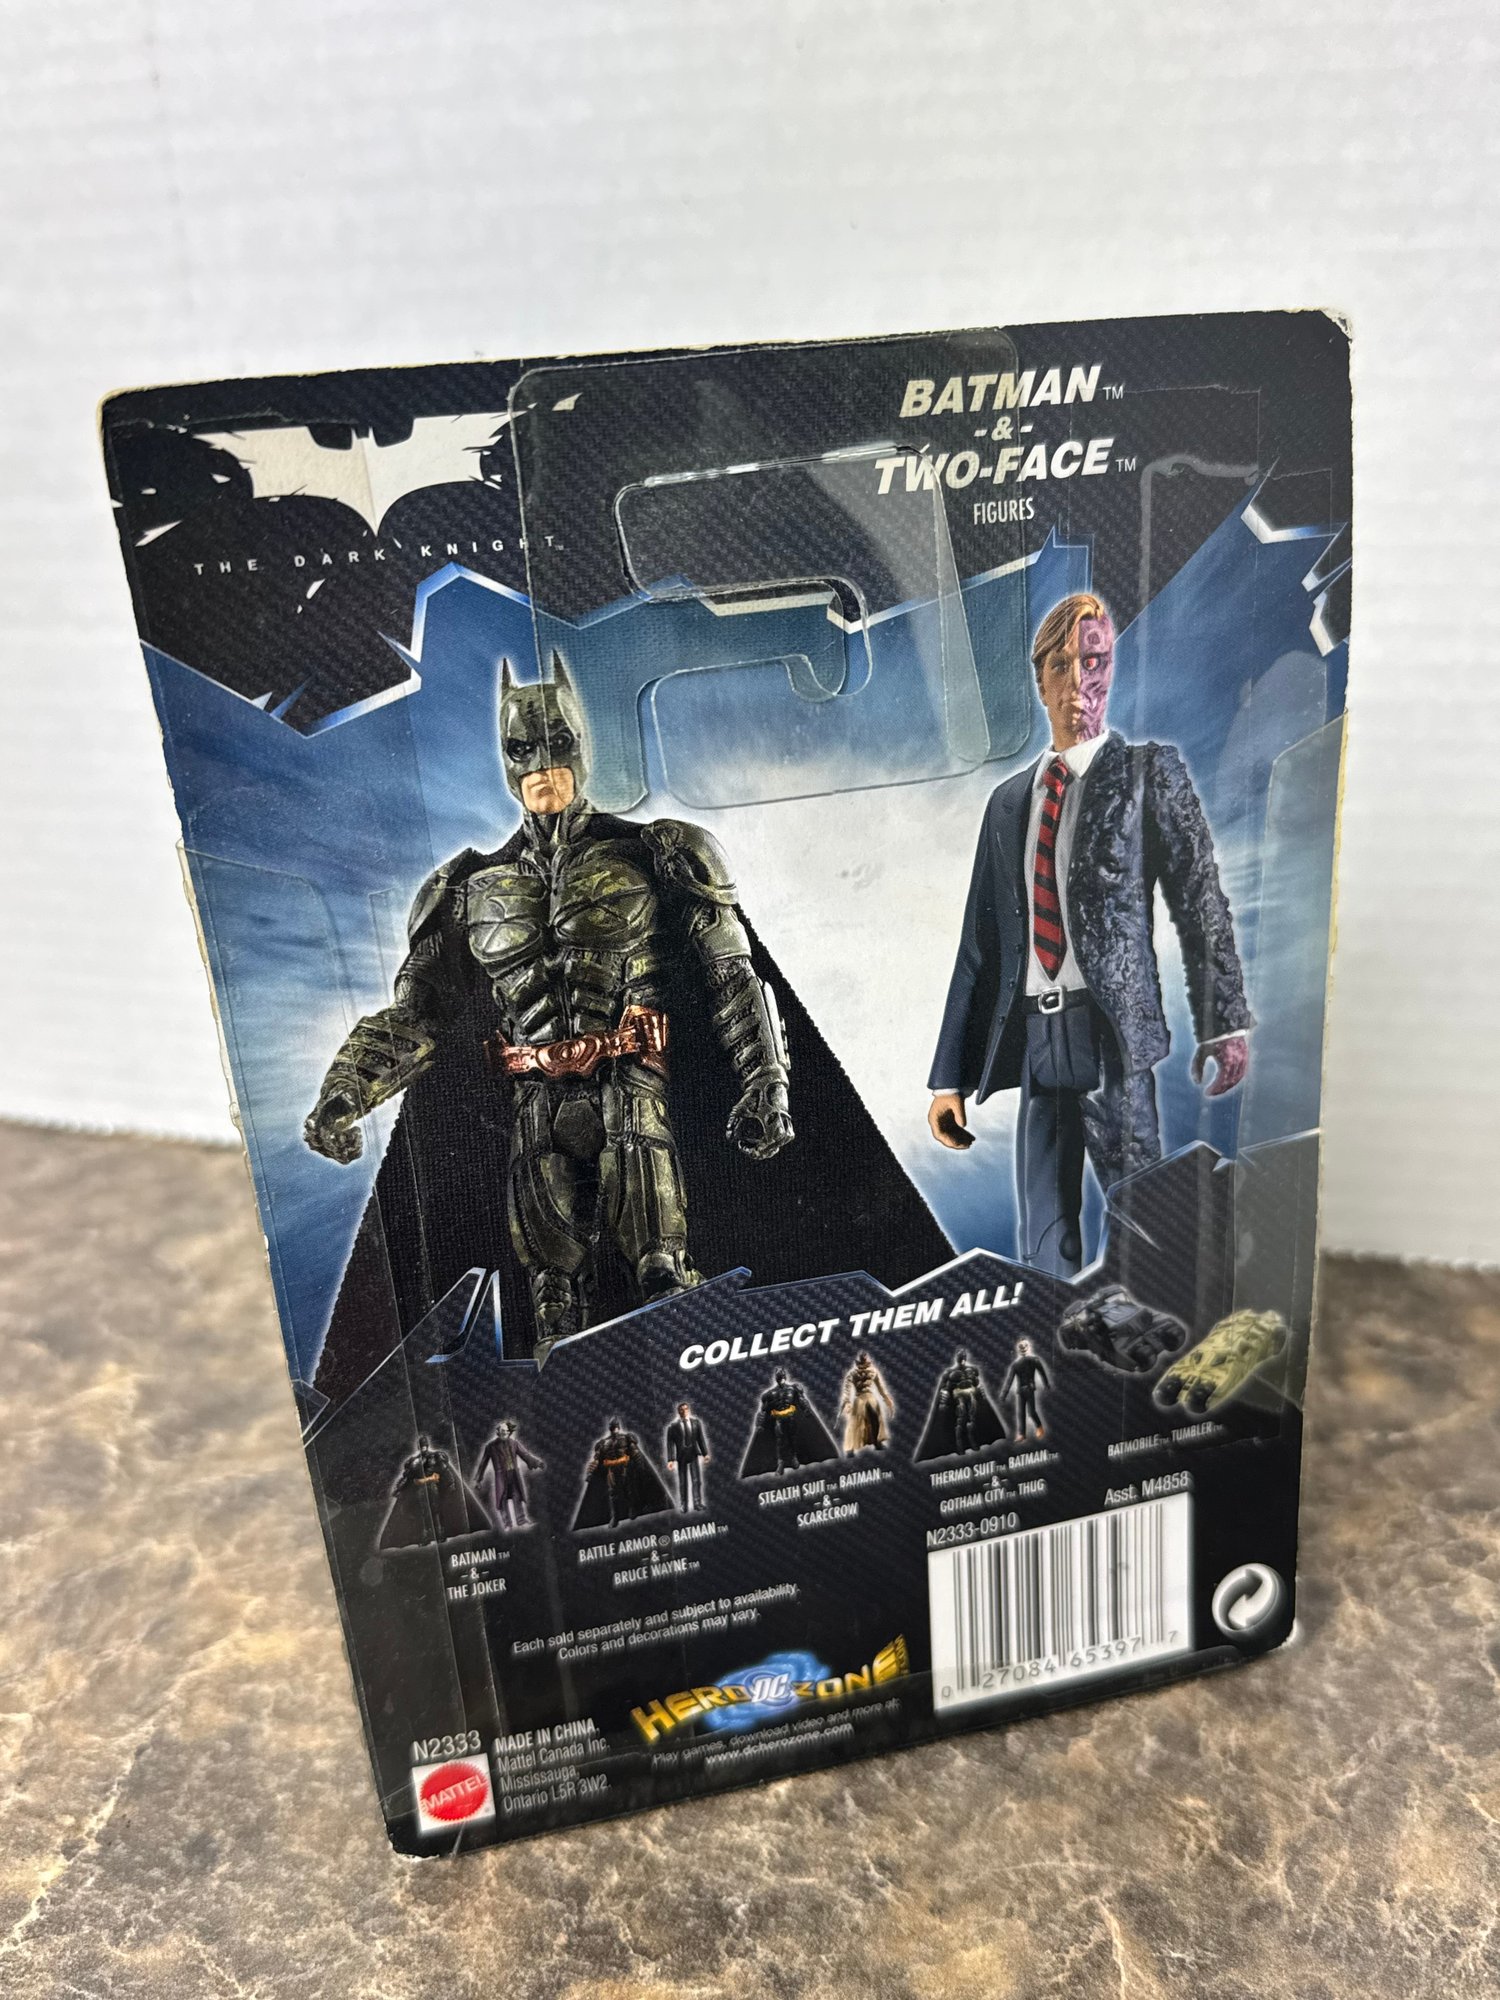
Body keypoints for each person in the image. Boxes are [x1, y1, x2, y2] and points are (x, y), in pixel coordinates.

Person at [928, 592, 1252, 1277]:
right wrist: (948, 1079)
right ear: (1041, 678)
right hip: (1034, 1036)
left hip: (1112, 1031)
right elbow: (978, 946)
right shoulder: (1008, 802)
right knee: (1042, 1227)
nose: (1081, 680)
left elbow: (1199, 902)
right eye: (1065, 664)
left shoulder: (1147, 773)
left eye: (1096, 661)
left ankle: (1162, 1318)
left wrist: (1224, 1023)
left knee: (1144, 1212)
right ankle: (1052, 1329)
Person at [474, 1418, 544, 1531]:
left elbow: (525, 1454)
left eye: (506, 1431)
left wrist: (537, 1463)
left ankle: (521, 1520)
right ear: (498, 1432)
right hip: (501, 1477)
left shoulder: (514, 1444)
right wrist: (478, 1480)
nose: (504, 1433)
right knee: (502, 1499)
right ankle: (507, 1524)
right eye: (502, 1431)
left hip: (514, 1475)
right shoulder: (491, 1446)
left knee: (517, 1496)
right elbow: (483, 1463)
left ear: (509, 1432)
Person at [838, 1350, 895, 1452]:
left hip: (870, 1399)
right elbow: (847, 1389)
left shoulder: (873, 1371)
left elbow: (881, 1387)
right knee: (855, 1423)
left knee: (875, 1420)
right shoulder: (852, 1373)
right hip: (860, 1400)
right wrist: (847, 1402)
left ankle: (877, 1442)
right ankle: (850, 1448)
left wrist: (887, 1398)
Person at [664, 1402, 711, 1511]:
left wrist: (705, 1454)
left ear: (689, 1410)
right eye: (682, 1409)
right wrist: (670, 1460)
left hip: (693, 1453)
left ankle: (697, 1503)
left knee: (696, 1480)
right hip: (681, 1456)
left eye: (686, 1409)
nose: (684, 1411)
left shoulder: (696, 1423)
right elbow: (670, 1444)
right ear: (678, 1412)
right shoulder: (673, 1427)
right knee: (682, 1481)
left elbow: (700, 1439)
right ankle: (683, 1505)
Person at [1002, 1340, 1051, 1440]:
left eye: (1024, 1347)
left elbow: (1042, 1372)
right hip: (1021, 1390)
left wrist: (1046, 1384)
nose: (1023, 1349)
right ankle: (1022, 1434)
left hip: (1029, 1388)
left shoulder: (1033, 1360)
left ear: (1028, 1347)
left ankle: (1039, 1427)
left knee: (1031, 1412)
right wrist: (1004, 1394)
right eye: (1022, 1347)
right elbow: (1009, 1380)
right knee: (1021, 1413)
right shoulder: (1016, 1364)